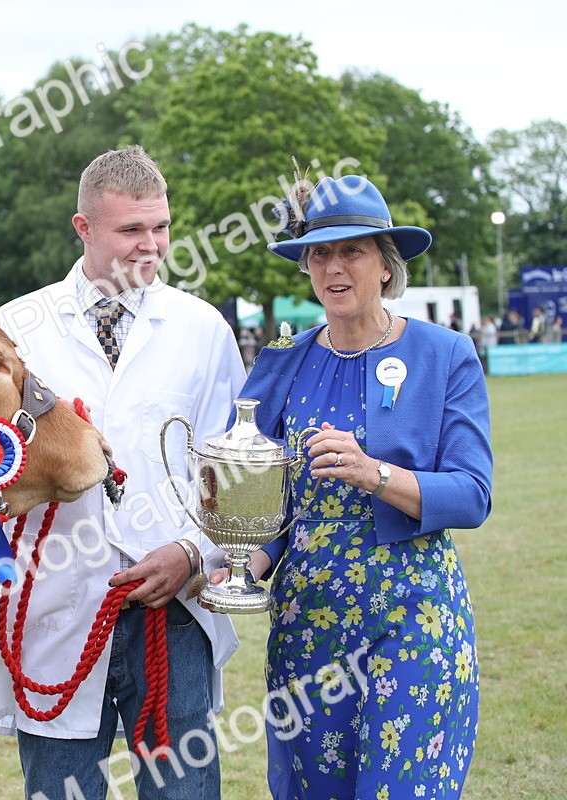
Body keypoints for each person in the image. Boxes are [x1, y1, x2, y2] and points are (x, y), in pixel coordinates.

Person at [0, 145, 246, 799]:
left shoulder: (202, 329)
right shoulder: (16, 328)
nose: (151, 246)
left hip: (173, 612)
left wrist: (193, 552)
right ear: (84, 227)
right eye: (131, 229)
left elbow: (232, 469)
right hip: (55, 606)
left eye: (161, 227)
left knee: (183, 791)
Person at [212, 173, 492, 799]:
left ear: (387, 266)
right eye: (320, 254)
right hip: (309, 621)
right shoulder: (283, 361)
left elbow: (473, 493)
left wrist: (376, 474)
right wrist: (243, 563)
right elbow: (266, 501)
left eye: (352, 251)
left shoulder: (445, 354)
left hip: (413, 613)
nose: (334, 268)